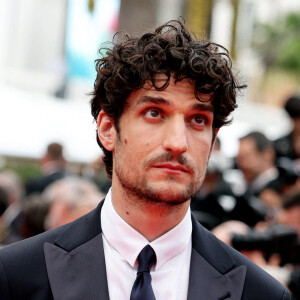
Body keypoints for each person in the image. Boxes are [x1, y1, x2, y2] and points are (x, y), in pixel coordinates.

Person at [0, 19, 290, 300]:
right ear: (107, 129)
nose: (177, 143)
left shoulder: (260, 293)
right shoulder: (16, 275)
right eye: (154, 113)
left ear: (213, 142)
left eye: (198, 119)